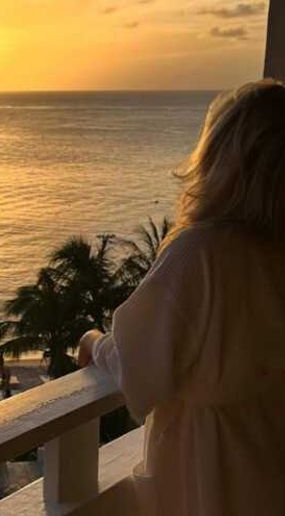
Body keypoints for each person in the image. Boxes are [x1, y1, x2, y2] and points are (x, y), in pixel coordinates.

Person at [77, 79, 285, 515]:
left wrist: (95, 344)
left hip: (211, 480)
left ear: (223, 160)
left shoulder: (202, 254)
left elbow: (140, 367)